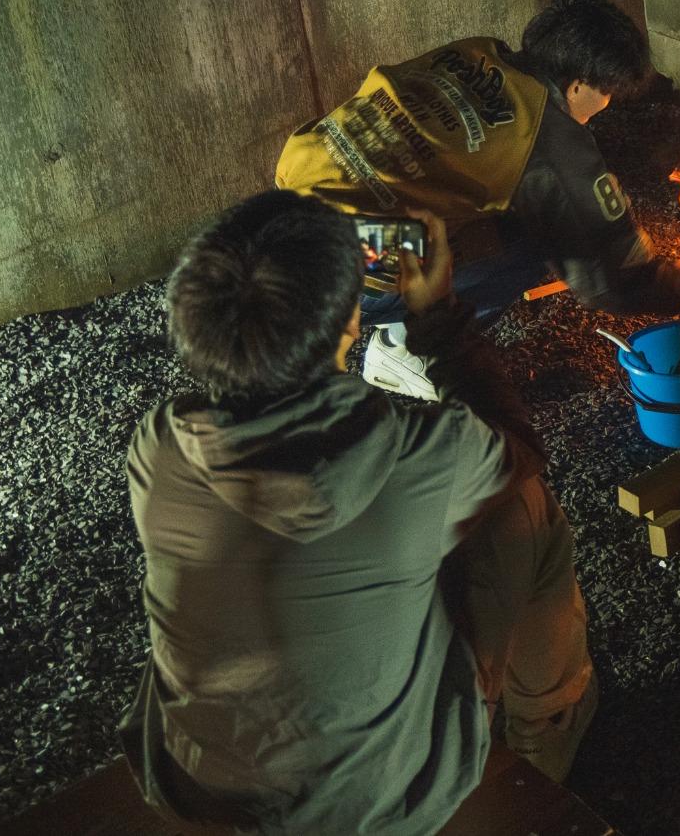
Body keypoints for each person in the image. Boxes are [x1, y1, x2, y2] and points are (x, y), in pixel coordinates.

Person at [120, 192, 597, 835]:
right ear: (349, 323)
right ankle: (546, 727)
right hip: (378, 810)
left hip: (196, 787)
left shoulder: (162, 442)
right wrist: (439, 317)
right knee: (523, 509)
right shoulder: (423, 454)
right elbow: (519, 451)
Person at [274, 0, 680, 395]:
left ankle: (390, 315)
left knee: (490, 200)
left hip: (279, 215)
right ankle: (409, 350)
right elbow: (602, 275)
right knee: (535, 239)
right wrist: (673, 289)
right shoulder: (547, 133)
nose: (605, 107)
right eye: (607, 94)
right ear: (579, 84)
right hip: (347, 262)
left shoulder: (475, 51)